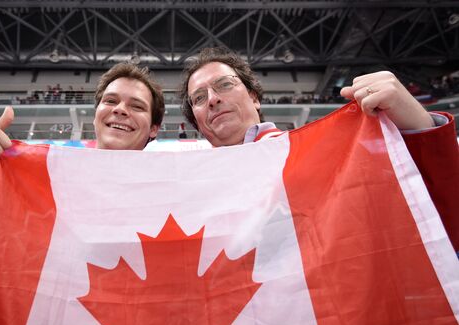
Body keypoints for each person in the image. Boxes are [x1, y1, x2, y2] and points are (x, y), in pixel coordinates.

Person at [0, 62, 165, 322]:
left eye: (137, 106)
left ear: (154, 128)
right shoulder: (32, 171)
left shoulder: (169, 198)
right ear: (96, 112)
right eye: (111, 101)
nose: (120, 110)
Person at [177, 47, 458, 252]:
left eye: (224, 85)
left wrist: (419, 126)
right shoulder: (189, 191)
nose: (212, 99)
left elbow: (431, 217)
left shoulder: (324, 150)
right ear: (198, 122)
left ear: (254, 97)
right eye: (199, 98)